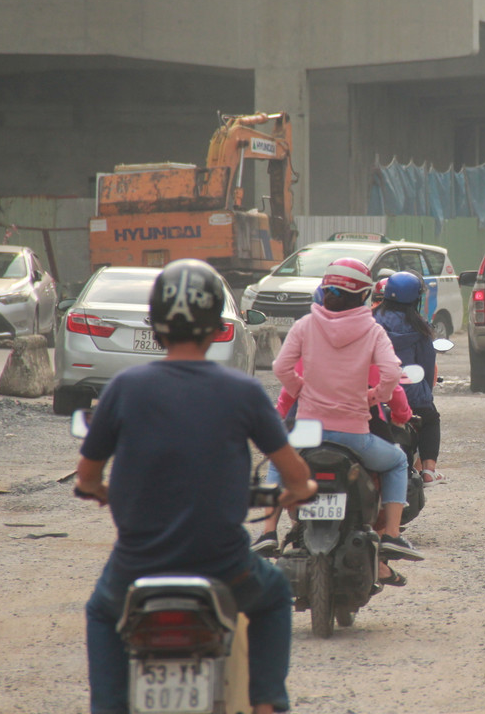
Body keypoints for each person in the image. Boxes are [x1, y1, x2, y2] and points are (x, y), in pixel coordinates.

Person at [74, 258, 318, 714]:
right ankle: (267, 704)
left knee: (101, 612)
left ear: (155, 326)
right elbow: (295, 473)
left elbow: (87, 474)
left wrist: (98, 489)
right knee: (274, 595)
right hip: (224, 565)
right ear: (216, 327)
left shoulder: (124, 388)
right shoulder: (243, 391)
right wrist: (298, 491)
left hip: (136, 565)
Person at [264, 257, 424, 567]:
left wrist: (301, 389)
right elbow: (392, 373)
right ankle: (391, 534)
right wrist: (373, 397)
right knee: (396, 461)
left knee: (278, 460)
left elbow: (281, 368)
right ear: (364, 294)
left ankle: (268, 531)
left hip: (308, 432)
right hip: (354, 434)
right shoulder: (372, 331)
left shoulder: (305, 325)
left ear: (325, 290)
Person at [374, 271, 446, 486]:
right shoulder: (420, 327)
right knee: (431, 419)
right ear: (417, 298)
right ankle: (428, 471)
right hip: (411, 394)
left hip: (373, 392)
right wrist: (425, 394)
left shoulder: (370, 321)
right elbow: (426, 367)